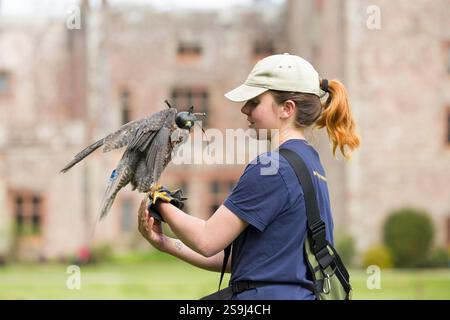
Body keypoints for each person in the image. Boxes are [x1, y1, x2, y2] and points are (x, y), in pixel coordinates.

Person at [137, 53, 360, 300]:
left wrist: (156, 196)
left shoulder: (272, 167)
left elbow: (207, 239)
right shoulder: (310, 164)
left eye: (255, 102)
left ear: (287, 109)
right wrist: (166, 243)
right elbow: (248, 258)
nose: (245, 109)